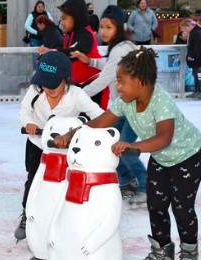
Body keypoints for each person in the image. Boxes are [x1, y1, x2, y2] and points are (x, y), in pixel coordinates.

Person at [54, 46, 201, 260]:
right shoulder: (125, 102)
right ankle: (161, 254)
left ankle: (189, 255)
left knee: (182, 208)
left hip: (189, 156)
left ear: (141, 82)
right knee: (156, 205)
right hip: (162, 158)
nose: (118, 87)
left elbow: (164, 138)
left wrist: (133, 148)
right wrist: (73, 132)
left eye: (122, 82)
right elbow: (100, 122)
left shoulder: (161, 101)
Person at [15, 51, 104, 241]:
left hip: (64, 150)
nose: (48, 88)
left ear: (66, 78)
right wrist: (28, 123)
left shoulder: (77, 94)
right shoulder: (35, 91)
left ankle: (62, 217)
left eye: (53, 83)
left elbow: (98, 115)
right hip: (36, 144)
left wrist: (85, 132)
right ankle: (27, 214)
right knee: (33, 179)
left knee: (64, 182)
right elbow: (25, 111)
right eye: (44, 83)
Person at [71, 5, 147, 207]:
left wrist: (76, 96)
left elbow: (104, 79)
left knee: (124, 146)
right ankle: (127, 180)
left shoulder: (122, 48)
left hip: (135, 106)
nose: (103, 31)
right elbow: (110, 68)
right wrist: (91, 61)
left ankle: (145, 187)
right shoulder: (120, 48)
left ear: (118, 28)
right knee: (110, 142)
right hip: (124, 105)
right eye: (102, 27)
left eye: (108, 27)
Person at [38, 0, 109, 110]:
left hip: (94, 89)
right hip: (79, 87)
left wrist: (51, 52)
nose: (61, 22)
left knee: (92, 125)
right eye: (61, 18)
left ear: (76, 18)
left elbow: (71, 52)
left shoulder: (85, 34)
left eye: (65, 18)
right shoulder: (70, 34)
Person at [181, 19, 201, 100]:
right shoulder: (194, 33)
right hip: (197, 60)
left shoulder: (197, 33)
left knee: (200, 75)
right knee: (195, 75)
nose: (185, 31)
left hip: (200, 59)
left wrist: (192, 56)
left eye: (185, 28)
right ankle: (197, 91)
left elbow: (198, 46)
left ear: (189, 26)